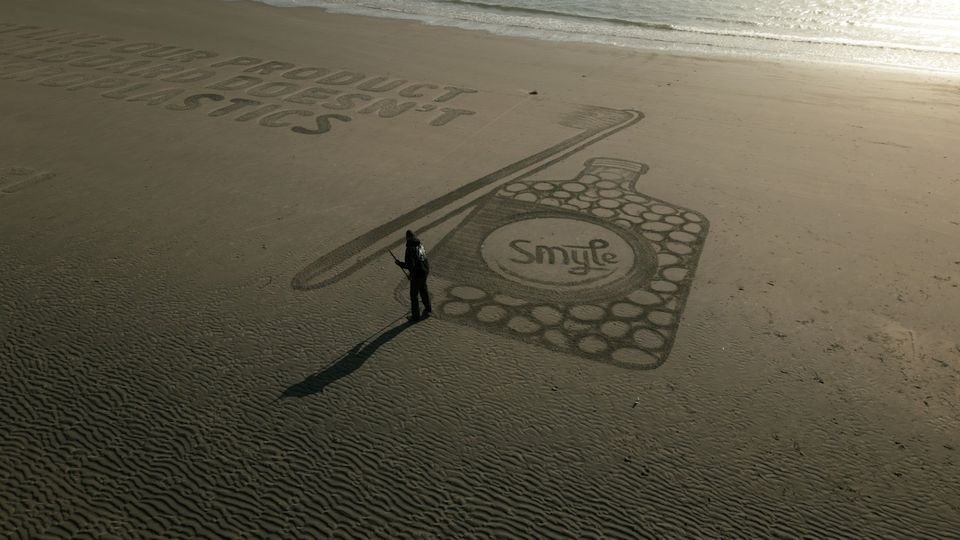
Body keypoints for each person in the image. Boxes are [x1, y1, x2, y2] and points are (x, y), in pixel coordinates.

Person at [395, 230, 432, 321]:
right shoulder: (420, 245)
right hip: (425, 271)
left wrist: (399, 263)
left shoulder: (410, 248)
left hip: (417, 274)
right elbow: (423, 259)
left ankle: (415, 316)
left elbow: (410, 265)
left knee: (414, 295)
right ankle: (428, 308)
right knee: (423, 289)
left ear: (407, 238)